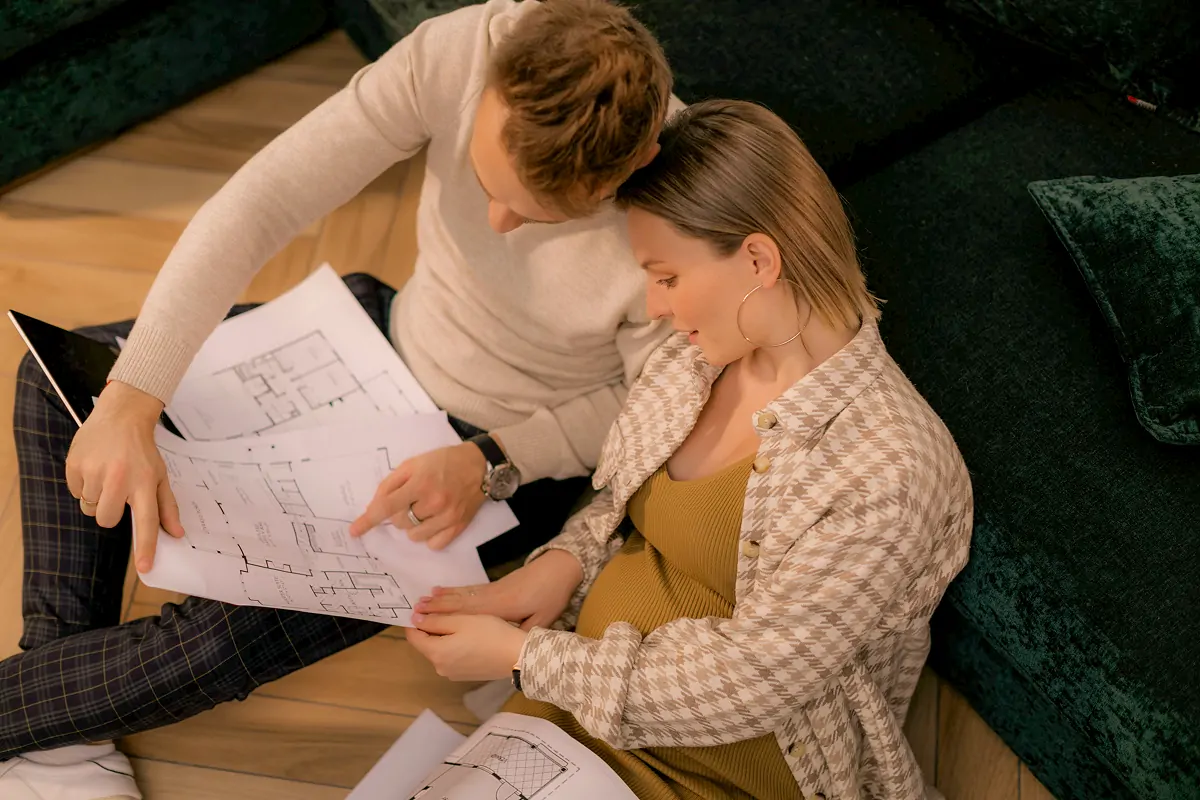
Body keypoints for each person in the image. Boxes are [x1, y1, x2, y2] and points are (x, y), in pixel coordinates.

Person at [0, 0, 681, 796]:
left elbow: (652, 411)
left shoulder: (682, 218)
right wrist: (132, 399)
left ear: (630, 169)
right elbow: (267, 198)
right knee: (62, 385)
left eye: (534, 216)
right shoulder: (467, 48)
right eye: (488, 184)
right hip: (375, 340)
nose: (497, 225)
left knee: (218, 641)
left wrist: (497, 457)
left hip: (490, 461)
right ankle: (60, 732)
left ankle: (53, 734)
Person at [403, 99, 974, 800]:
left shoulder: (891, 467)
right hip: (578, 702)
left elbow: (752, 682)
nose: (655, 308)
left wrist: (527, 657)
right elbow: (618, 502)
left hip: (723, 767)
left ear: (759, 259)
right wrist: (562, 563)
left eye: (666, 276)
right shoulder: (694, 361)